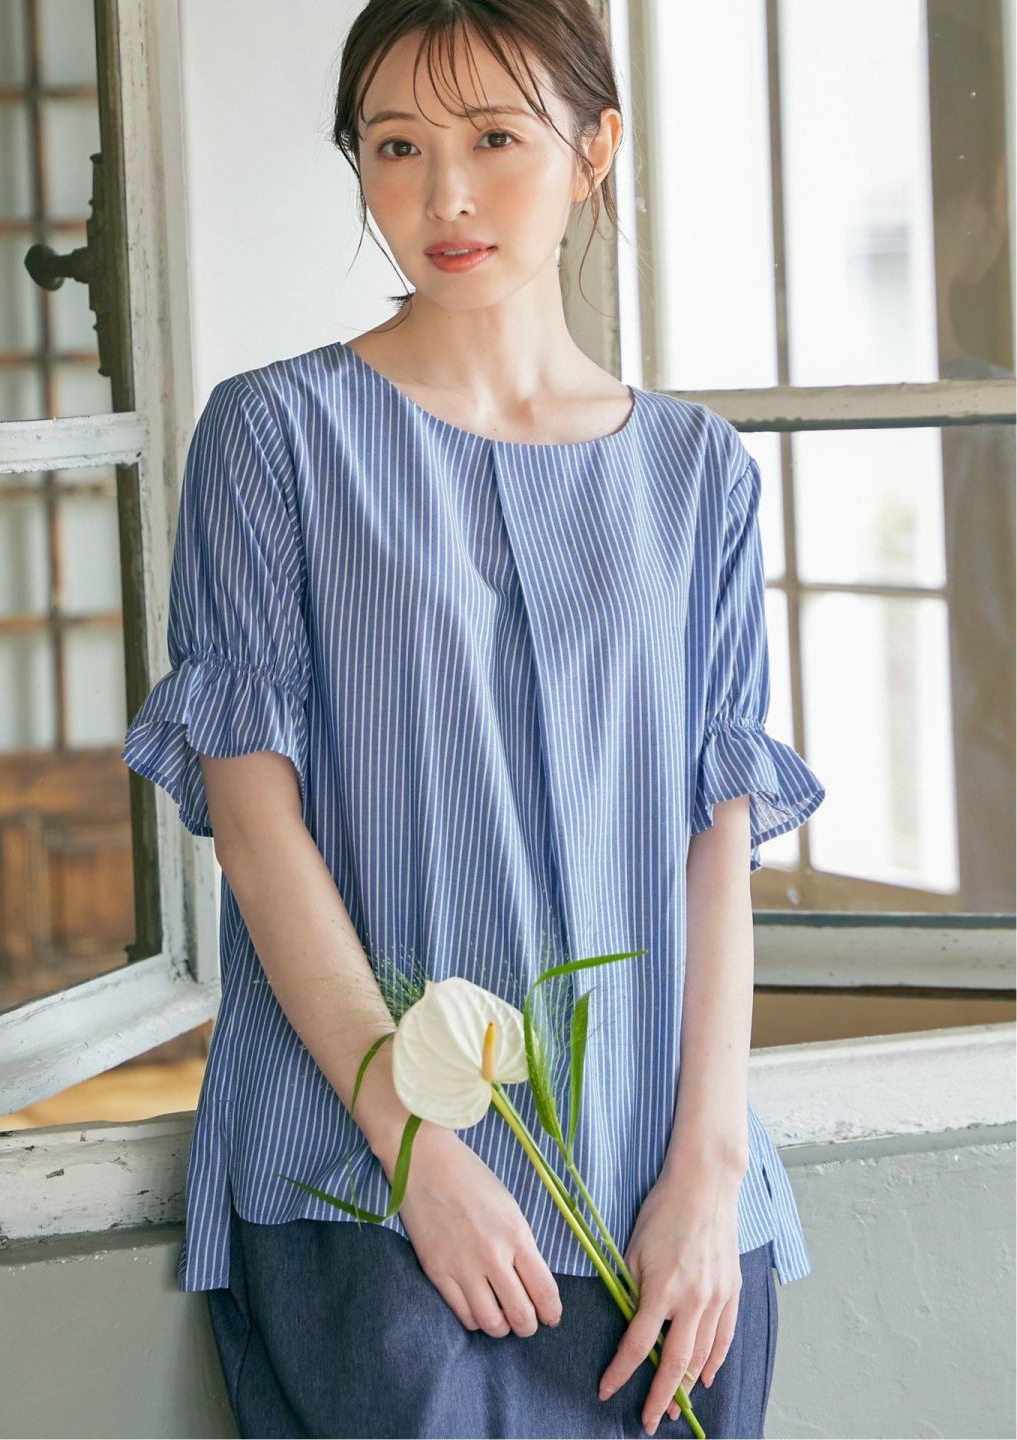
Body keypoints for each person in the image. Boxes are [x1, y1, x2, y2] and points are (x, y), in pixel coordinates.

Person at [122, 2, 826, 1435]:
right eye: (396, 147)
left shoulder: (699, 472)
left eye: (496, 138)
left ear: (593, 149)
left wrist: (708, 1173)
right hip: (380, 1198)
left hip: (670, 1225)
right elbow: (256, 834)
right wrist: (414, 1152)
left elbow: (717, 849)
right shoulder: (273, 437)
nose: (444, 195)